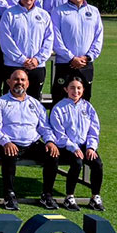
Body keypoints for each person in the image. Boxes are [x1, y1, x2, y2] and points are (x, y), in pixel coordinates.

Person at [0, 69, 60, 211]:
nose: (19, 82)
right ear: (9, 82)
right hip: (9, 143)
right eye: (16, 79)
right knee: (9, 154)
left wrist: (50, 141)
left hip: (32, 143)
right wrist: (5, 142)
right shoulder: (0, 103)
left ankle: (47, 195)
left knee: (52, 154)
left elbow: (45, 127)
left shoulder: (35, 104)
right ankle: (9, 195)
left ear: (28, 83)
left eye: (22, 80)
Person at [49, 76, 104, 211]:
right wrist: (72, 147)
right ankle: (69, 197)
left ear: (83, 90)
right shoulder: (59, 108)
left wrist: (91, 147)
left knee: (97, 163)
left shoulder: (88, 107)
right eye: (72, 88)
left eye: (79, 88)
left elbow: (94, 129)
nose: (76, 91)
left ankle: (95, 196)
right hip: (66, 146)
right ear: (66, 89)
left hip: (85, 145)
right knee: (77, 163)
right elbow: (59, 133)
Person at [0, 0, 53, 99]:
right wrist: (22, 60)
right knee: (11, 101)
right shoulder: (9, 14)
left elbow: (48, 40)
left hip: (37, 67)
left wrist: (38, 59)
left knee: (34, 101)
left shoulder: (44, 15)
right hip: (13, 65)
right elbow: (6, 41)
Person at [51, 0, 103, 101]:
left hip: (86, 64)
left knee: (84, 100)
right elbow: (55, 39)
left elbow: (98, 37)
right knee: (60, 98)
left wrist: (88, 57)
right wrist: (71, 58)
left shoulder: (93, 11)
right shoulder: (58, 11)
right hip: (64, 63)